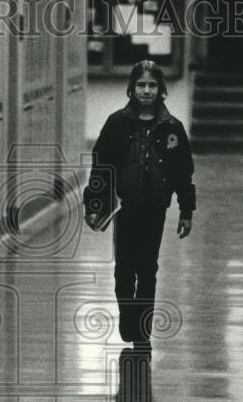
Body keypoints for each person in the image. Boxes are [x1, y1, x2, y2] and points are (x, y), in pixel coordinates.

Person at [84, 60, 195, 346]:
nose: (147, 91)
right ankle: (127, 314)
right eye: (141, 85)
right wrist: (94, 203)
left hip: (155, 209)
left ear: (161, 90)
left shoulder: (172, 128)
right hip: (125, 207)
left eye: (152, 86)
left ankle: (142, 329)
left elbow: (183, 172)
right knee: (124, 269)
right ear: (132, 89)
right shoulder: (117, 123)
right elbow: (101, 166)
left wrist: (186, 210)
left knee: (148, 268)